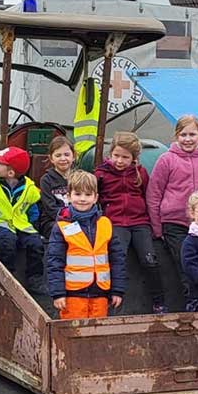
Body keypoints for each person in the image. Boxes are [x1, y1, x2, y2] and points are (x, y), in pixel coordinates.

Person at [146, 114, 198, 311]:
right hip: (175, 223)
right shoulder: (166, 160)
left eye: (192, 134)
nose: (188, 139)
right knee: (187, 268)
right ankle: (192, 308)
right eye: (183, 134)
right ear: (176, 136)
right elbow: (154, 194)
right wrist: (158, 229)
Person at [44, 170, 126, 319]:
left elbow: (117, 259)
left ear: (96, 198)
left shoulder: (105, 224)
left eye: (88, 195)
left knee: (97, 335)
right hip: (72, 295)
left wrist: (117, 290)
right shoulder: (62, 226)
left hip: (101, 294)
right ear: (69, 196)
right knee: (72, 335)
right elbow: (54, 261)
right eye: (78, 194)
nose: (82, 199)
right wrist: (58, 293)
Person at [96, 132, 163, 312]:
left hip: (139, 222)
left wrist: (154, 225)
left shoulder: (140, 173)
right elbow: (95, 199)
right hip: (115, 221)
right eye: (116, 156)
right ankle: (112, 296)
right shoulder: (101, 174)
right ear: (110, 154)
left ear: (134, 158)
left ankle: (159, 300)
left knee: (149, 260)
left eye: (125, 157)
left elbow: (148, 196)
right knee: (118, 257)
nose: (119, 161)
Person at [0, 146, 45, 298]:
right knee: (8, 241)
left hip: (20, 224)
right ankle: (8, 276)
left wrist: (34, 231)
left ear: (10, 173)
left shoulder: (29, 187)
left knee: (36, 244)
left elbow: (33, 211)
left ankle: (35, 278)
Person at [37, 134, 75, 242]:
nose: (63, 158)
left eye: (67, 154)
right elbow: (50, 208)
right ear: (51, 159)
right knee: (70, 231)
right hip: (52, 221)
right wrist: (70, 218)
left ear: (74, 156)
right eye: (58, 155)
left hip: (77, 218)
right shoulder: (46, 180)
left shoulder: (79, 177)